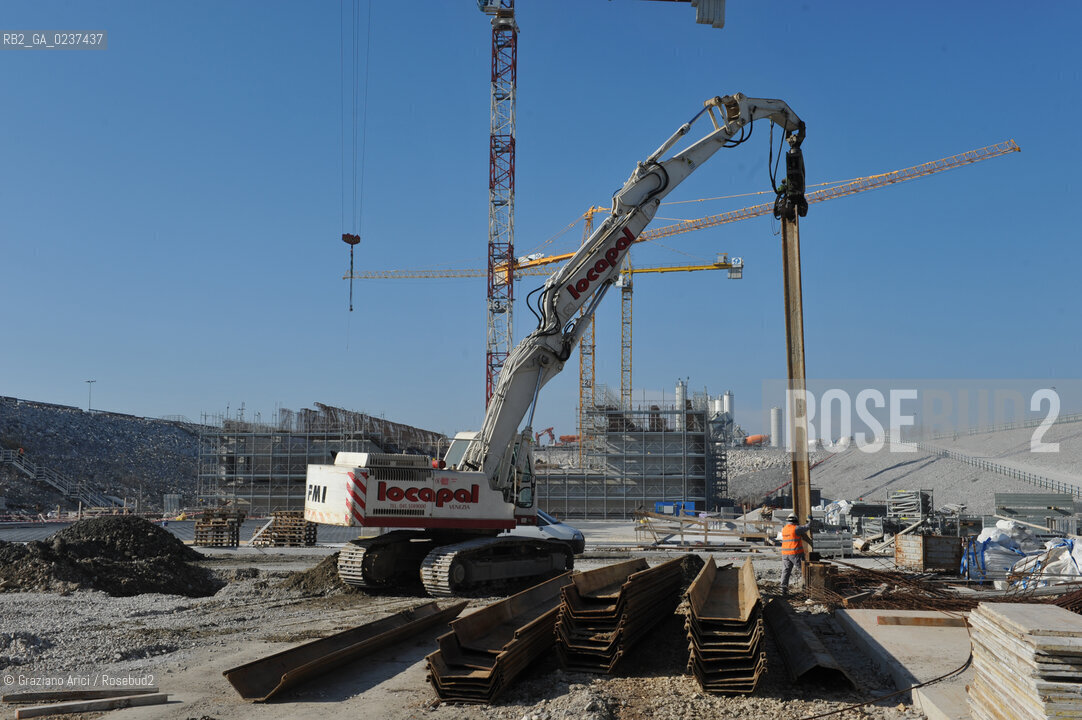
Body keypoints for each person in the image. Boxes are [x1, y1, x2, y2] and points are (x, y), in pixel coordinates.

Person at [780, 512, 812, 597]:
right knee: (804, 570)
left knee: (785, 571)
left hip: (785, 554)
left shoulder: (784, 529)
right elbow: (807, 527)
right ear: (795, 521)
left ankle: (783, 590)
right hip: (795, 554)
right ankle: (809, 588)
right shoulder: (796, 529)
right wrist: (810, 520)